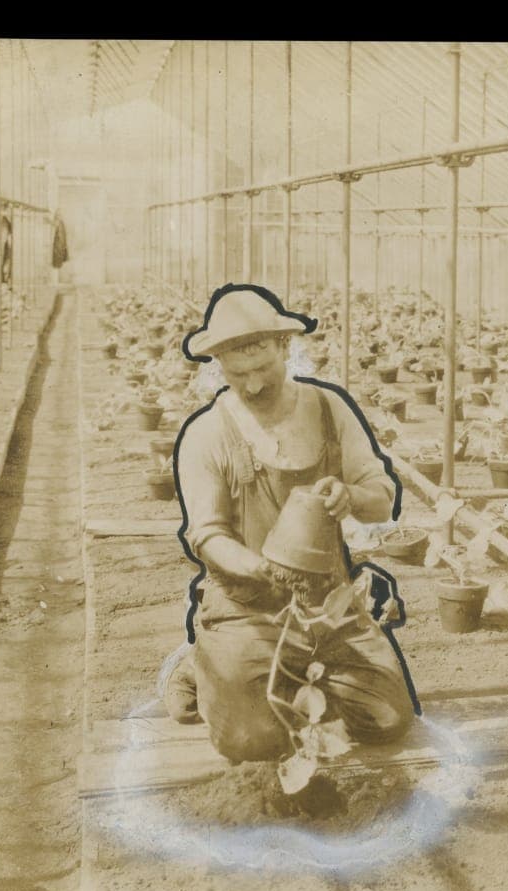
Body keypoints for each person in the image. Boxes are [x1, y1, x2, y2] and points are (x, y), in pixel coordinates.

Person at [163, 285, 415, 763]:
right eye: (239, 375)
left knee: (386, 719)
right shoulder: (207, 434)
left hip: (327, 603)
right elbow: (207, 536)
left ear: (285, 348)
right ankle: (200, 663)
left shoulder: (328, 408)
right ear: (219, 365)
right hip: (245, 606)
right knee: (255, 742)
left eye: (264, 369)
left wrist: (351, 496)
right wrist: (259, 568)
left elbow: (382, 500)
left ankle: (287, 669)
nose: (254, 384)